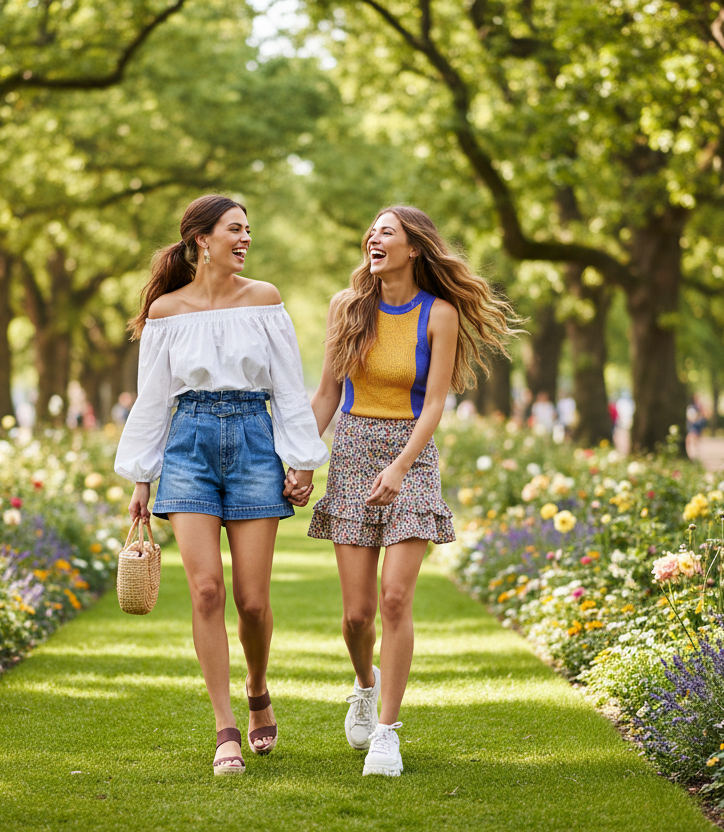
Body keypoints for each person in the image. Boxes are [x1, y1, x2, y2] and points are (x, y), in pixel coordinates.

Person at [115, 195, 327, 776]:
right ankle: (225, 727)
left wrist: (303, 460)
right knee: (206, 590)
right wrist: (141, 478)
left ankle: (257, 687)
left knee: (252, 601)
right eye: (236, 229)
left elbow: (288, 387)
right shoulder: (165, 311)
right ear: (201, 239)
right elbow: (153, 400)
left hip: (255, 442)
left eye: (249, 230)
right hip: (188, 447)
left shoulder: (265, 299)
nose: (246, 239)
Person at [306, 206, 519, 777]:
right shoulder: (346, 307)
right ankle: (364, 685)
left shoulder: (439, 313)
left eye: (388, 232)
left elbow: (434, 404)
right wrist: (300, 459)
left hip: (412, 458)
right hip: (352, 453)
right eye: (372, 230)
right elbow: (326, 394)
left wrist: (401, 466)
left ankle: (387, 733)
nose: (374, 238)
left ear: (415, 248)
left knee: (396, 599)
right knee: (357, 617)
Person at [685, 393, 708, 458]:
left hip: (698, 426)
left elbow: (706, 416)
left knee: (695, 440)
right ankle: (693, 455)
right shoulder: (691, 407)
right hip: (693, 426)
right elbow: (691, 417)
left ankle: (695, 455)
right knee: (692, 439)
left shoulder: (700, 407)